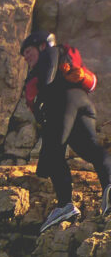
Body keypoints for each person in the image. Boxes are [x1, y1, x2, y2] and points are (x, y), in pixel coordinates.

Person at [20, 31, 111, 233]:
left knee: (52, 153)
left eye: (28, 51)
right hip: (83, 104)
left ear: (42, 45)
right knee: (91, 149)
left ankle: (65, 205)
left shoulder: (49, 54)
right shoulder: (66, 58)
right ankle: (109, 187)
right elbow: (91, 82)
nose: (25, 57)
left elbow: (45, 83)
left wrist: (43, 99)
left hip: (61, 104)